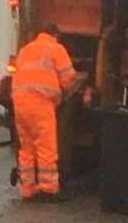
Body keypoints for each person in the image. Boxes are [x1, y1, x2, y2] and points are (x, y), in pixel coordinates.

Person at [11, 23, 80, 201]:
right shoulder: (56, 49)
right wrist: (74, 88)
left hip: (19, 104)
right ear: (55, 35)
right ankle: (48, 189)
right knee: (46, 146)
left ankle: (28, 189)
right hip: (40, 104)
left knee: (27, 147)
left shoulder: (25, 50)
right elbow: (69, 79)